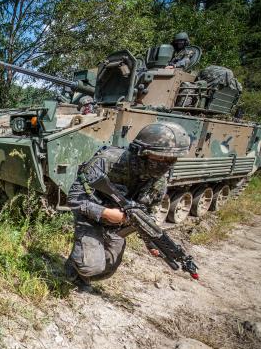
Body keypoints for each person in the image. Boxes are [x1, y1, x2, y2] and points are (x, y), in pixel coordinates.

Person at [64, 122, 191, 284]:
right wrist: (106, 213)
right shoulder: (109, 161)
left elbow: (148, 215)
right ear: (142, 153)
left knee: (108, 269)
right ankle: (73, 270)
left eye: (171, 160)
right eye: (160, 157)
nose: (165, 164)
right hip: (90, 217)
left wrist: (151, 242)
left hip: (118, 227)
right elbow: (74, 198)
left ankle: (83, 270)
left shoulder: (159, 182)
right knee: (91, 266)